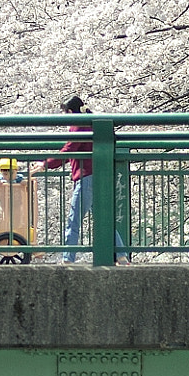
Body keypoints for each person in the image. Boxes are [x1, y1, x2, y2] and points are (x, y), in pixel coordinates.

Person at [41, 95, 126, 263]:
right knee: (104, 219)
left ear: (70, 112)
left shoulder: (78, 124)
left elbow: (69, 148)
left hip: (86, 177)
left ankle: (67, 258)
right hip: (99, 176)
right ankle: (122, 256)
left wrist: (46, 164)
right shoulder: (91, 121)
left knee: (74, 219)